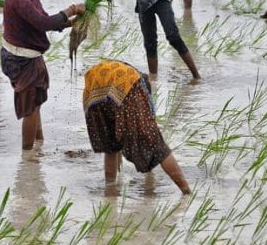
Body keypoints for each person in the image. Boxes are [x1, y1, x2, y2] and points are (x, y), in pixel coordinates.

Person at [0, 0, 85, 150]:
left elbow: (44, 21)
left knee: (35, 103)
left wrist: (70, 23)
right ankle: (28, 158)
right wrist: (72, 9)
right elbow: (42, 22)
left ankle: (38, 146)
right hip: (21, 59)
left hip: (25, 55)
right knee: (30, 108)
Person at [82, 60, 191, 194]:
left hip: (93, 88)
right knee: (158, 145)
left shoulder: (126, 69)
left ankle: (110, 189)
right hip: (121, 83)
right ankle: (186, 192)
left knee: (110, 147)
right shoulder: (138, 84)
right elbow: (148, 125)